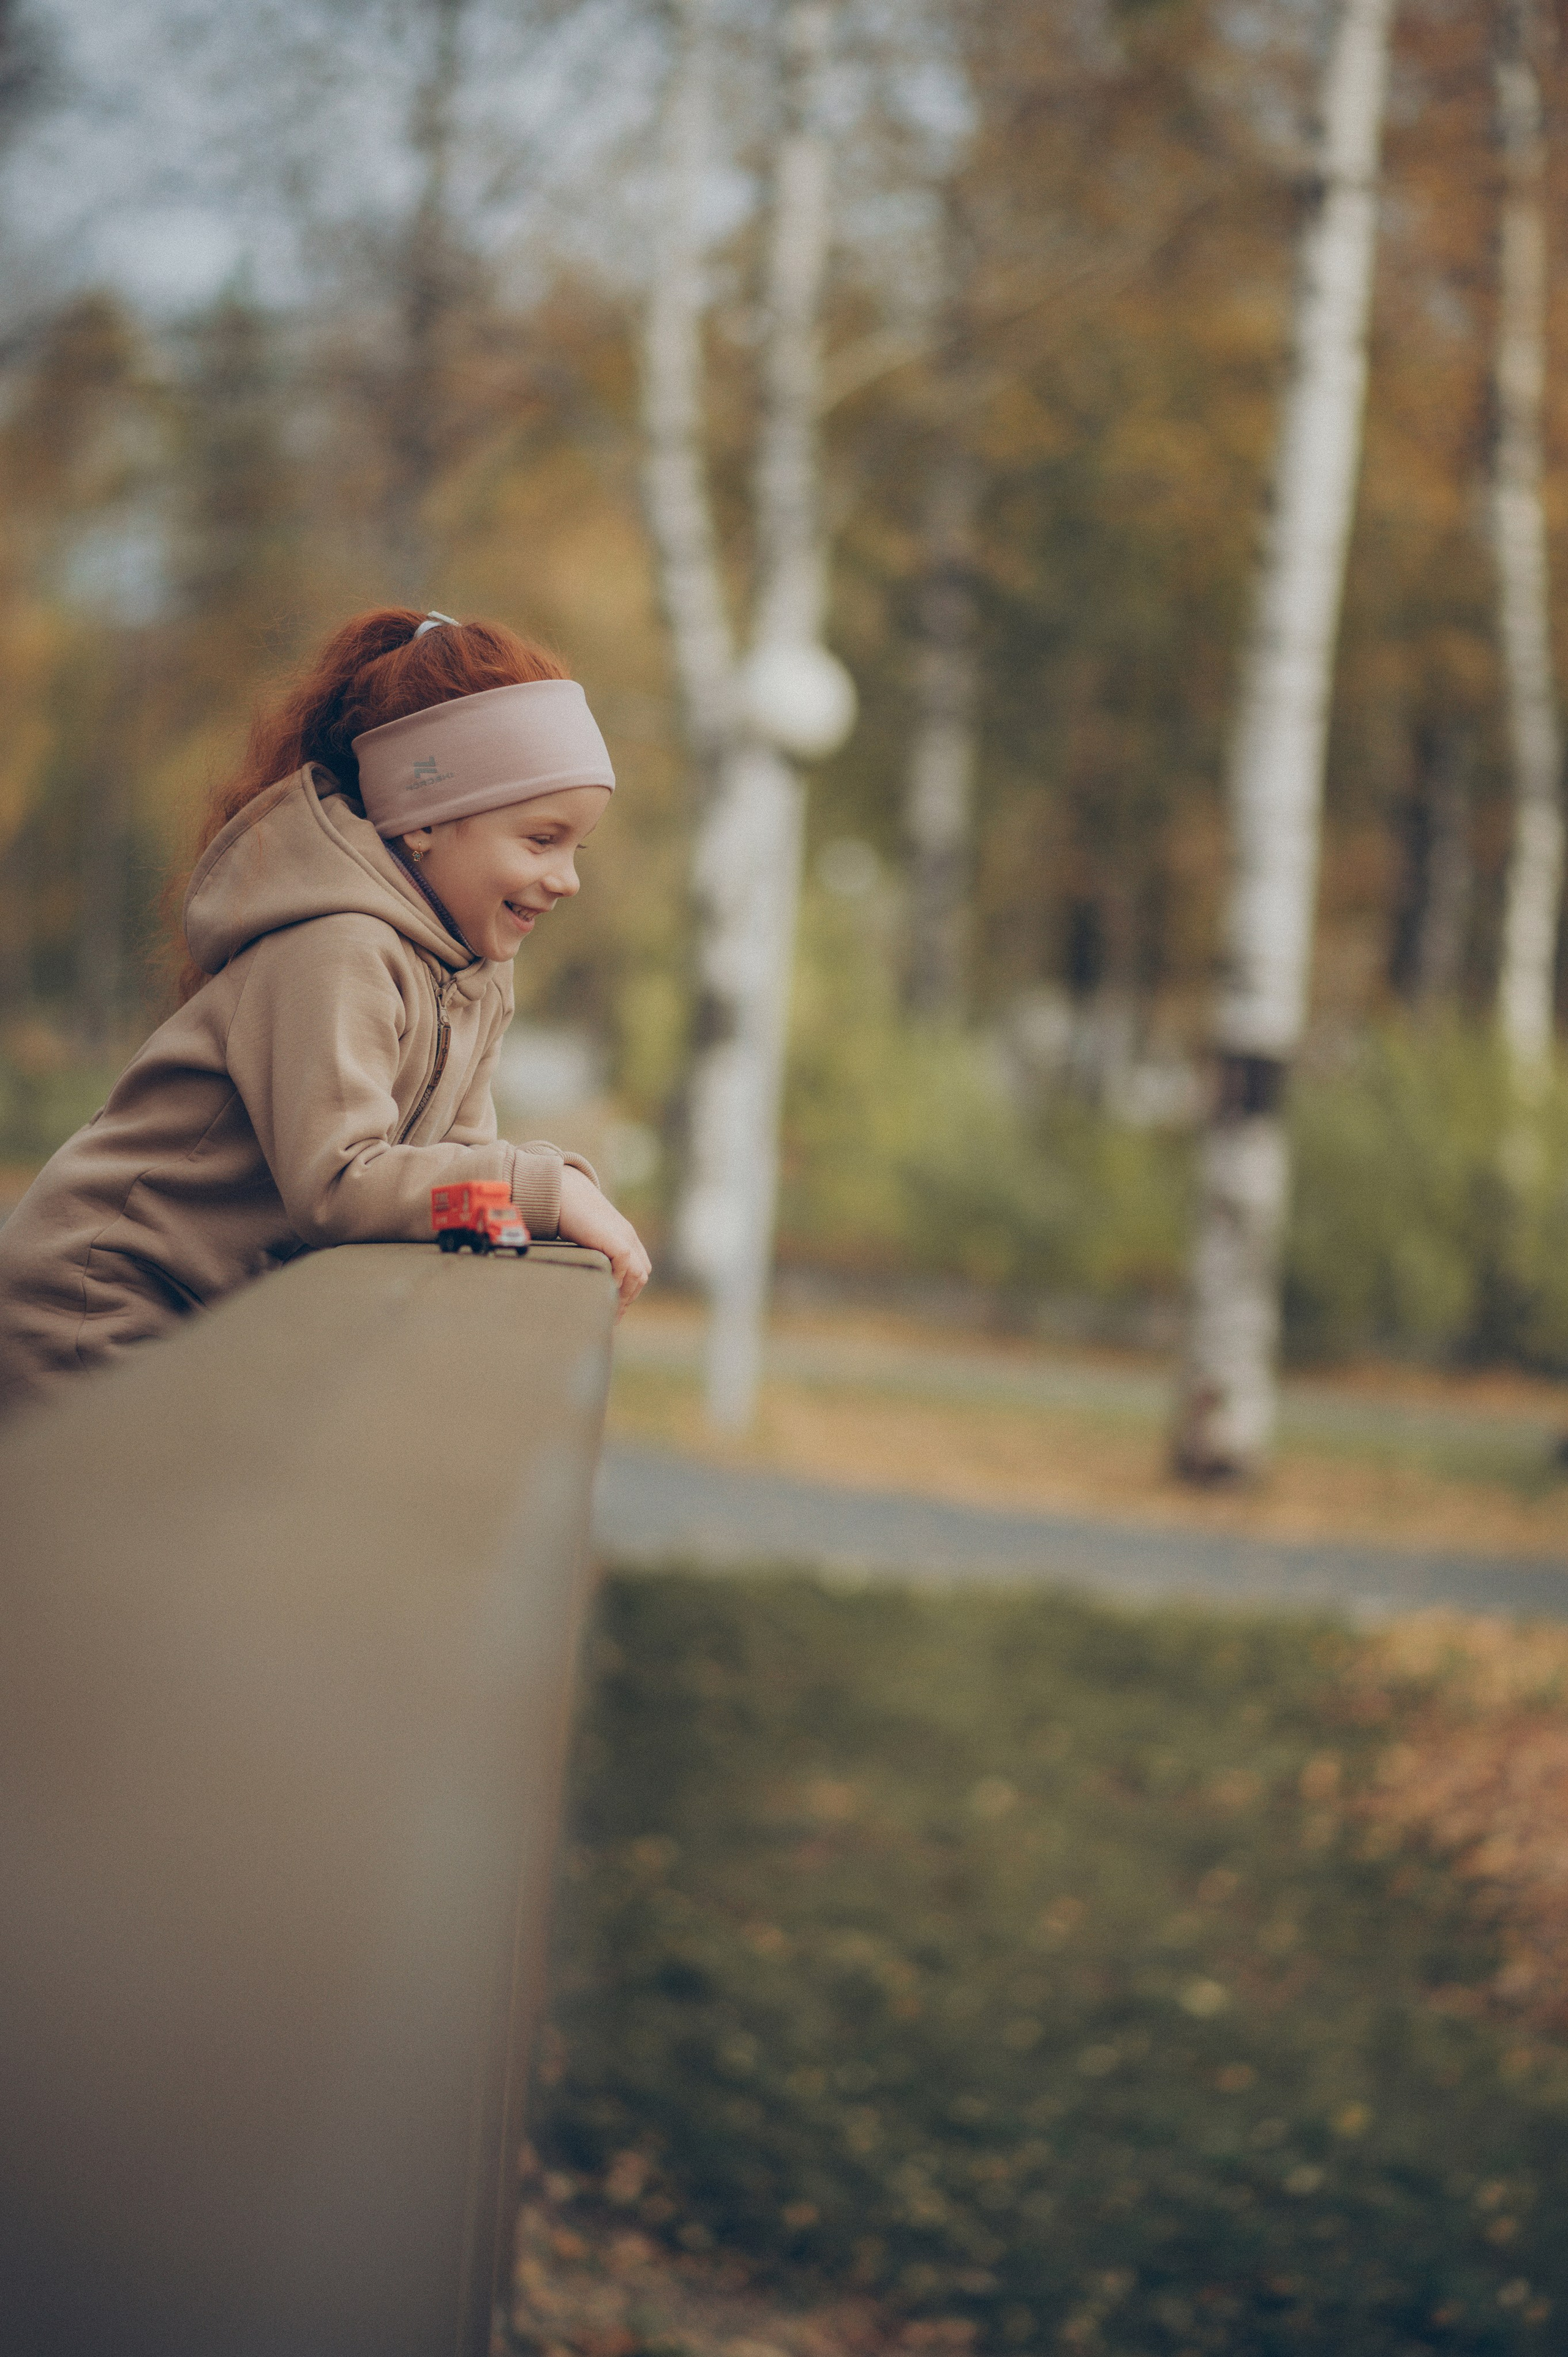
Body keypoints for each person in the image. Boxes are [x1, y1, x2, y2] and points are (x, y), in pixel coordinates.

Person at [0, 607, 651, 1418]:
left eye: (576, 849)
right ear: (424, 822)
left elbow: (451, 1171)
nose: (567, 880)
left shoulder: (477, 974)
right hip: (101, 1303)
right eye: (540, 840)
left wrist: (529, 1221)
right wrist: (541, 1193)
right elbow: (341, 1186)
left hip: (211, 1316)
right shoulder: (336, 948)